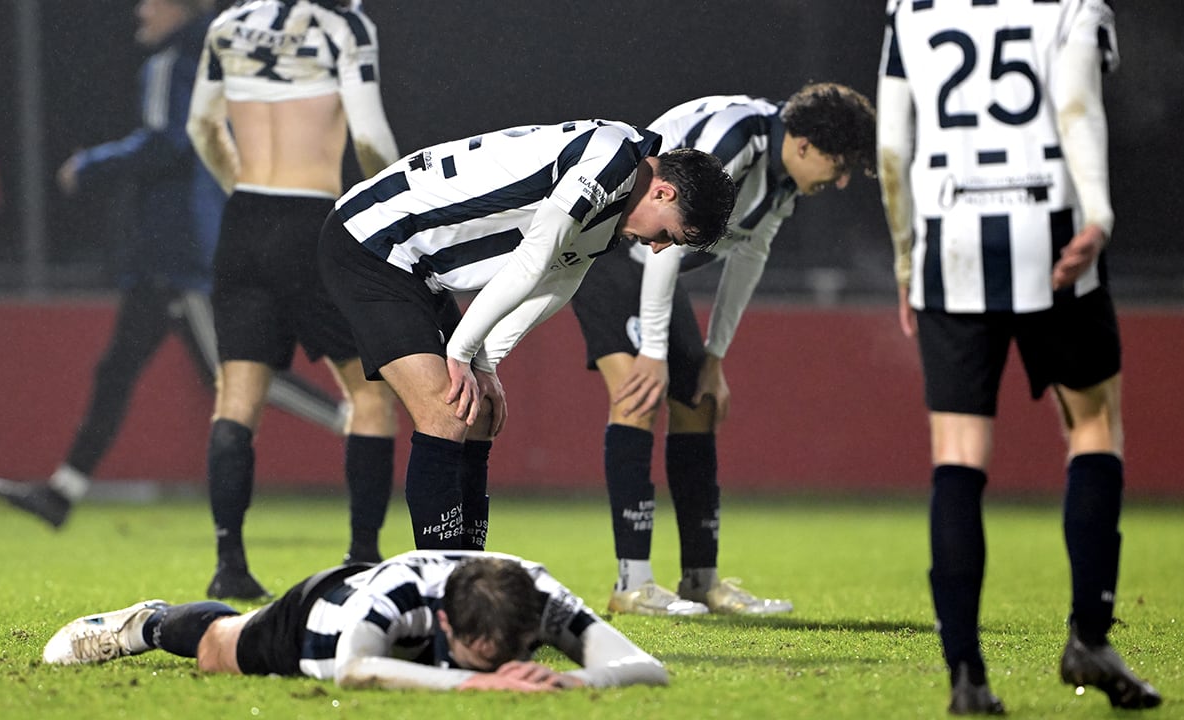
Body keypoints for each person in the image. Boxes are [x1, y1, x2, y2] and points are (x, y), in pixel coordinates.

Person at [877, 0, 1160, 713]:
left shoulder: (910, 9)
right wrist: (1098, 214)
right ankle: (1089, 638)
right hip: (1052, 231)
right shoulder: (1072, 6)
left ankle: (966, 675)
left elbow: (891, 144)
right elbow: (1074, 103)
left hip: (951, 238)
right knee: (1094, 428)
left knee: (958, 456)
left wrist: (907, 259)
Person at [0, 0, 346, 531]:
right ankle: (62, 491)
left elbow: (170, 141)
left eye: (151, 2)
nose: (139, 11)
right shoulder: (223, 57)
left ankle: (356, 418)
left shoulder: (172, 61)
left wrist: (90, 165)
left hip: (181, 253)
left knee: (230, 370)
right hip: (179, 247)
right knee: (118, 370)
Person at [317, 121, 735, 553]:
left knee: (475, 415)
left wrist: (485, 361)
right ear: (664, 193)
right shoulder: (611, 160)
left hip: (420, 268)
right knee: (446, 410)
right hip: (372, 241)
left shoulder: (619, 193)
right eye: (669, 234)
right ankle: (440, 584)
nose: (659, 247)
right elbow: (536, 254)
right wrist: (462, 352)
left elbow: (562, 280)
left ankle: (469, 576)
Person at [569, 85, 876, 617]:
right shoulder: (737, 137)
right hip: (611, 250)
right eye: (841, 164)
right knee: (638, 398)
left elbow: (751, 254)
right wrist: (654, 352)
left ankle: (700, 581)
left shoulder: (784, 178)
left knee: (699, 404)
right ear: (803, 145)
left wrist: (714, 356)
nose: (843, 179)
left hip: (655, 268)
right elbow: (669, 221)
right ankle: (631, 584)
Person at [185, 0, 402, 600]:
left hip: (245, 221)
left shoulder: (227, 25)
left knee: (235, 401)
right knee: (372, 392)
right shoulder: (345, 25)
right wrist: (392, 212)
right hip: (313, 223)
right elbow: (369, 135)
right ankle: (362, 557)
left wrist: (242, 191)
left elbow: (201, 127)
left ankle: (230, 561)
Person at [41, 551, 669, 691]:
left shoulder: (539, 594)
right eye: (485, 656)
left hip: (401, 635)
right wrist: (478, 685)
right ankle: (144, 624)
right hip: (327, 614)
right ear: (446, 624)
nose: (506, 667)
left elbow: (647, 669)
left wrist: (580, 682)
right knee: (217, 649)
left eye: (513, 656)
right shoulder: (398, 592)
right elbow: (352, 669)